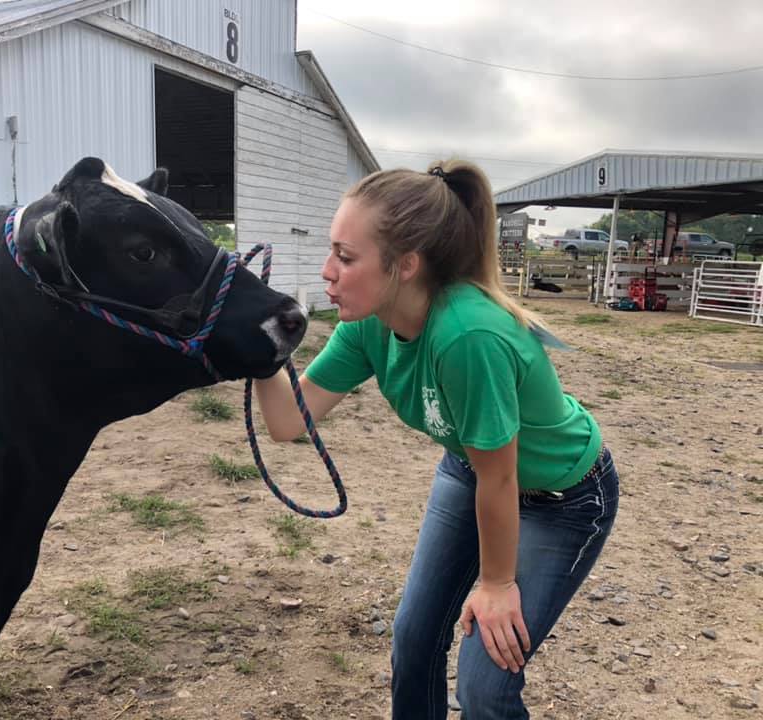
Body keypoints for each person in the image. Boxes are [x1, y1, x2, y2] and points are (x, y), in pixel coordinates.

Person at [254, 160, 619, 719]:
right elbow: (288, 422)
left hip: (562, 496)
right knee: (414, 637)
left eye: (346, 257)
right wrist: (258, 350)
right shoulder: (368, 323)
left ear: (406, 264)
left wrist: (496, 585)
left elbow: (502, 475)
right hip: (472, 471)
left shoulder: (468, 335)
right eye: (332, 252)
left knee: (485, 687)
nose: (327, 271)